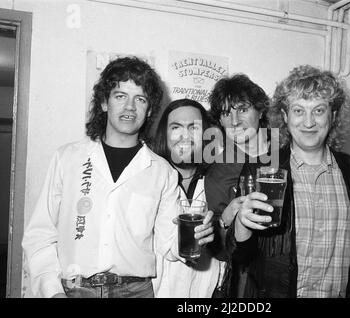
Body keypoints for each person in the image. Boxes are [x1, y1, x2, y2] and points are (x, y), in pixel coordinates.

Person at [21, 57, 214, 298]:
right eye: (120, 96)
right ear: (104, 102)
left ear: (150, 110)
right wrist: (52, 292)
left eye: (140, 99)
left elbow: (169, 243)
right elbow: (40, 234)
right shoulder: (67, 158)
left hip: (137, 291)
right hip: (73, 290)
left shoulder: (162, 171)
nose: (130, 107)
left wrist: (196, 237)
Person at [228, 65, 350, 298]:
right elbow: (240, 257)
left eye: (318, 110)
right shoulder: (259, 169)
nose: (309, 123)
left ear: (334, 115)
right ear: (286, 116)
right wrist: (241, 223)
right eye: (298, 111)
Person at [204, 74, 275, 297]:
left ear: (261, 111)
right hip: (248, 281)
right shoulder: (218, 171)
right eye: (226, 113)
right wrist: (225, 220)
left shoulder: (286, 153)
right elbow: (218, 251)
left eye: (242, 109)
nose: (234, 121)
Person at [150, 98, 225, 298]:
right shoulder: (148, 178)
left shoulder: (219, 180)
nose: (185, 136)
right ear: (163, 134)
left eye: (194, 128)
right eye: (176, 127)